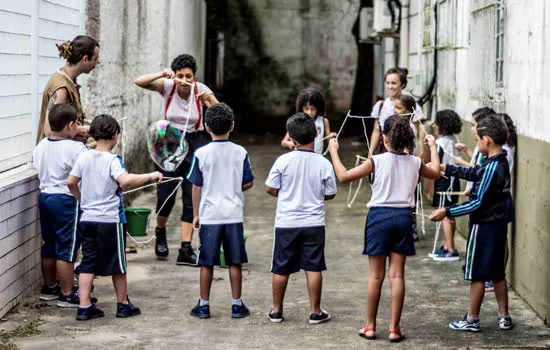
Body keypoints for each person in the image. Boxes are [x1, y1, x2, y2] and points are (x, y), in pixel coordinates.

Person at [329, 115, 440, 342]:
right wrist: (433, 148)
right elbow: (436, 172)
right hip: (403, 218)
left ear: (386, 139)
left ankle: (370, 326)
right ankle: (394, 329)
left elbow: (343, 176)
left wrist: (333, 150)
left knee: (375, 276)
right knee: (397, 275)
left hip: (378, 217)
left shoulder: (376, 161)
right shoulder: (416, 162)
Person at [67, 115, 163, 321]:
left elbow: (70, 182)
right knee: (118, 264)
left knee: (88, 262)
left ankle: (84, 307)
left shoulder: (83, 157)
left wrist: (81, 198)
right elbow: (125, 180)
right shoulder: (112, 160)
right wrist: (151, 176)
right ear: (115, 136)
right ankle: (123, 304)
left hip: (87, 219)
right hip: (110, 220)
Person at [430, 115, 514, 332]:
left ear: (487, 140)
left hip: (484, 227)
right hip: (498, 227)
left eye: (477, 140)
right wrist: (447, 168)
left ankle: (472, 319)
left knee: (477, 273)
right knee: (497, 273)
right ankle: (504, 316)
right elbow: (475, 172)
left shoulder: (492, 167)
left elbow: (477, 202)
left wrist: (447, 211)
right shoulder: (499, 161)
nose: (476, 144)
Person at [134, 54, 219, 265]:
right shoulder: (168, 86)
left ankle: (186, 247)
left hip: (195, 142)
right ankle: (160, 232)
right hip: (168, 142)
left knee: (191, 196)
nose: (184, 81)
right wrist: (162, 74)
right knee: (166, 195)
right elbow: (139, 81)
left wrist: (209, 103)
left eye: (188, 76)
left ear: (194, 76)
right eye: (180, 76)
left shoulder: (200, 89)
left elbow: (219, 112)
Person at [265, 113, 337, 324]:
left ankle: (276, 310)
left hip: (286, 222)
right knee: (314, 266)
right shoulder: (323, 163)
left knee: (281, 267)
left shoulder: (283, 160)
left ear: (292, 140)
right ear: (317, 133)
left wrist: (285, 193)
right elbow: (330, 193)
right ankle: (315, 312)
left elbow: (270, 188)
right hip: (314, 222)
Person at [187, 103, 254, 319]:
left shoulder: (201, 153)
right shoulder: (240, 152)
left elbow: (196, 186)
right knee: (235, 261)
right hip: (233, 214)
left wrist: (196, 214)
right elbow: (248, 182)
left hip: (210, 215)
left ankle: (204, 305)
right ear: (232, 125)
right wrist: (234, 186)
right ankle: (237, 304)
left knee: (206, 262)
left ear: (206, 127)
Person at [33, 104, 89, 305]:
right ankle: (67, 293)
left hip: (45, 196)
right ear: (71, 124)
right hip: (66, 200)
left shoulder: (41, 146)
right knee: (67, 247)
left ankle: (49, 287)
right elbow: (84, 170)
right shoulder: (76, 148)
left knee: (49, 244)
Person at [37, 35, 100, 144]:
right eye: (95, 59)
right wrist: (84, 130)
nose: (96, 64)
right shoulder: (61, 89)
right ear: (85, 59)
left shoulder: (70, 80)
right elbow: (50, 130)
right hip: (55, 157)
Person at [430, 110, 463, 262]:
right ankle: (447, 245)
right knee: (450, 212)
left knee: (444, 214)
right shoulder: (454, 139)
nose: (433, 125)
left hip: (444, 180)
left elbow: (435, 163)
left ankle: (450, 249)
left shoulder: (439, 143)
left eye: (436, 123)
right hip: (454, 179)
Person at [368, 68, 424, 157]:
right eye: (387, 83)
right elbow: (376, 131)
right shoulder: (381, 105)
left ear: (403, 84)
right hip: (384, 151)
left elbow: (418, 135)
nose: (390, 86)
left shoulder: (412, 105)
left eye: (393, 83)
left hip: (405, 152)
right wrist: (370, 153)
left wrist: (420, 155)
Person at [281, 88, 336, 154]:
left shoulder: (324, 121)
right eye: (306, 109)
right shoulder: (298, 121)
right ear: (302, 108)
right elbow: (283, 142)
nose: (309, 112)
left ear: (318, 109)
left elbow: (330, 143)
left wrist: (332, 138)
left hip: (317, 157)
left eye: (312, 109)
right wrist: (290, 143)